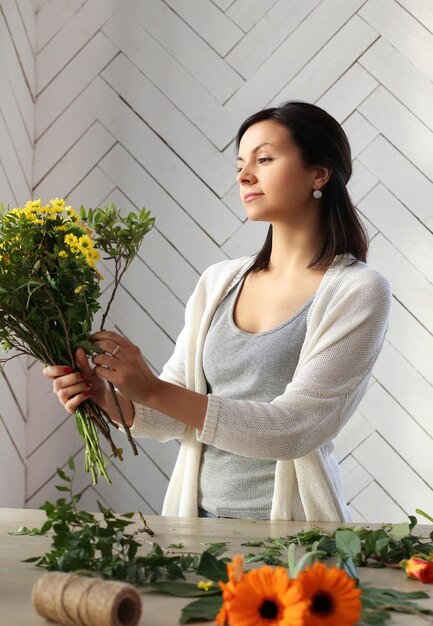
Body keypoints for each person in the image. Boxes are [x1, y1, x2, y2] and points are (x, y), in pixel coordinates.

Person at [44, 101, 391, 522]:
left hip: (297, 535)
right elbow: (172, 412)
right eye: (241, 163)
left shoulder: (358, 290)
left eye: (264, 159)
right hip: (198, 524)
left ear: (319, 173)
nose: (244, 175)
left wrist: (153, 389)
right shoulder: (218, 283)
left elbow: (295, 429)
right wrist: (107, 397)